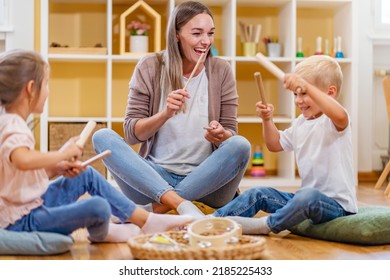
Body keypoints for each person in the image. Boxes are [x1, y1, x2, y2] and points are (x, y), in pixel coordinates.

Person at [0, 49, 194, 243]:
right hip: (22, 220)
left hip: (28, 206)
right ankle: (109, 231)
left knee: (87, 175)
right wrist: (62, 154)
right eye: (47, 84)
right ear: (31, 88)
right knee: (97, 207)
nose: (48, 91)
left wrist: (57, 166)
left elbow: (18, 176)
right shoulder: (13, 125)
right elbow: (23, 160)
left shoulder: (9, 122)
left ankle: (145, 220)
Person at [92, 1, 250, 217]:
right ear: (176, 35)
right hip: (155, 179)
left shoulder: (221, 70)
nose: (206, 41)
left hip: (208, 183)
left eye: (210, 33)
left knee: (240, 145)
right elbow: (131, 134)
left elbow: (231, 132)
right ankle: (178, 202)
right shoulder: (150, 66)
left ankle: (159, 208)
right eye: (197, 34)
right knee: (102, 137)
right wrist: (164, 114)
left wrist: (221, 135)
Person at [210, 55, 358, 235]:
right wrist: (267, 120)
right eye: (296, 94)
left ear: (330, 92)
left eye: (304, 93)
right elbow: (274, 144)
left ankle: (266, 225)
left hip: (336, 206)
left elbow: (340, 114)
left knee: (306, 196)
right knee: (258, 193)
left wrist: (307, 86)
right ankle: (212, 221)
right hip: (304, 201)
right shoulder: (300, 123)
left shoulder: (334, 121)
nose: (298, 100)